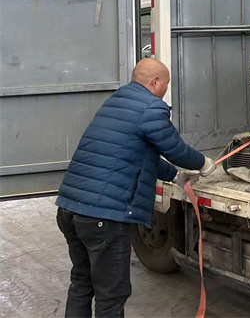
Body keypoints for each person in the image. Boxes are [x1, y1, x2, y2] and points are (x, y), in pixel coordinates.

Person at [55, 58, 215, 318]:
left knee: (82, 282)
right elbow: (175, 149)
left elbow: (136, 155)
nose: (166, 90)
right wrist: (204, 163)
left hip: (69, 209)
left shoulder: (116, 102)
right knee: (111, 295)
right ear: (155, 82)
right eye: (166, 84)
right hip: (103, 217)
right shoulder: (150, 107)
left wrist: (175, 175)